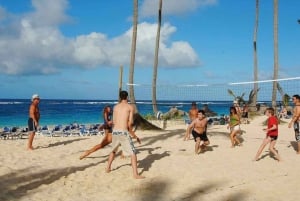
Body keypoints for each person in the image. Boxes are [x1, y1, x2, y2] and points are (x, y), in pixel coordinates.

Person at [105, 90, 144, 179]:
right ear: (127, 97)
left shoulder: (115, 107)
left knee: (113, 150)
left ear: (120, 97)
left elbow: (114, 121)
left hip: (115, 131)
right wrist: (134, 135)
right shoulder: (130, 107)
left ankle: (108, 168)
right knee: (133, 153)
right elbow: (129, 124)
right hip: (123, 132)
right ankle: (135, 174)